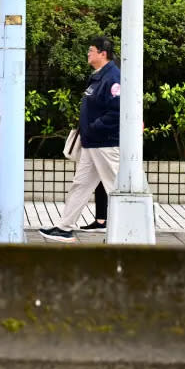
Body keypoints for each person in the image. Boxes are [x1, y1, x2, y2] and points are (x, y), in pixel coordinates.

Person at [40, 36, 120, 242]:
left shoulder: (113, 78)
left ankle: (131, 229)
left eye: (91, 50)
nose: (88, 53)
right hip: (91, 143)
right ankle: (64, 227)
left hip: (105, 143)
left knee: (117, 187)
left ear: (103, 54)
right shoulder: (98, 76)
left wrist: (94, 127)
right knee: (81, 184)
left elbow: (116, 111)